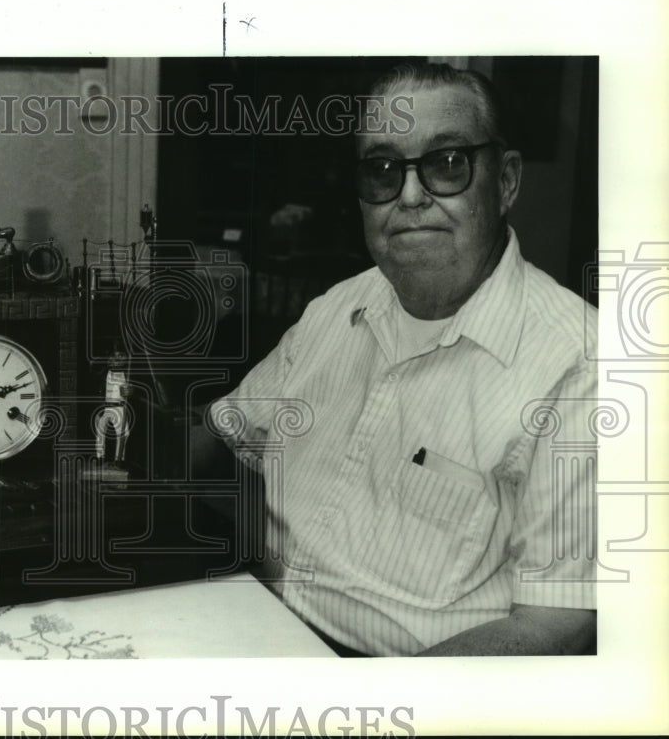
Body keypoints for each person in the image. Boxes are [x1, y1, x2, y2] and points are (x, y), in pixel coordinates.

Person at [196, 62, 597, 656]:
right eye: (382, 170)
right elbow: (224, 433)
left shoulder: (581, 368)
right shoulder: (337, 308)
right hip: (252, 623)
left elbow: (552, 625)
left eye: (448, 163)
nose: (410, 195)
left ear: (506, 181)